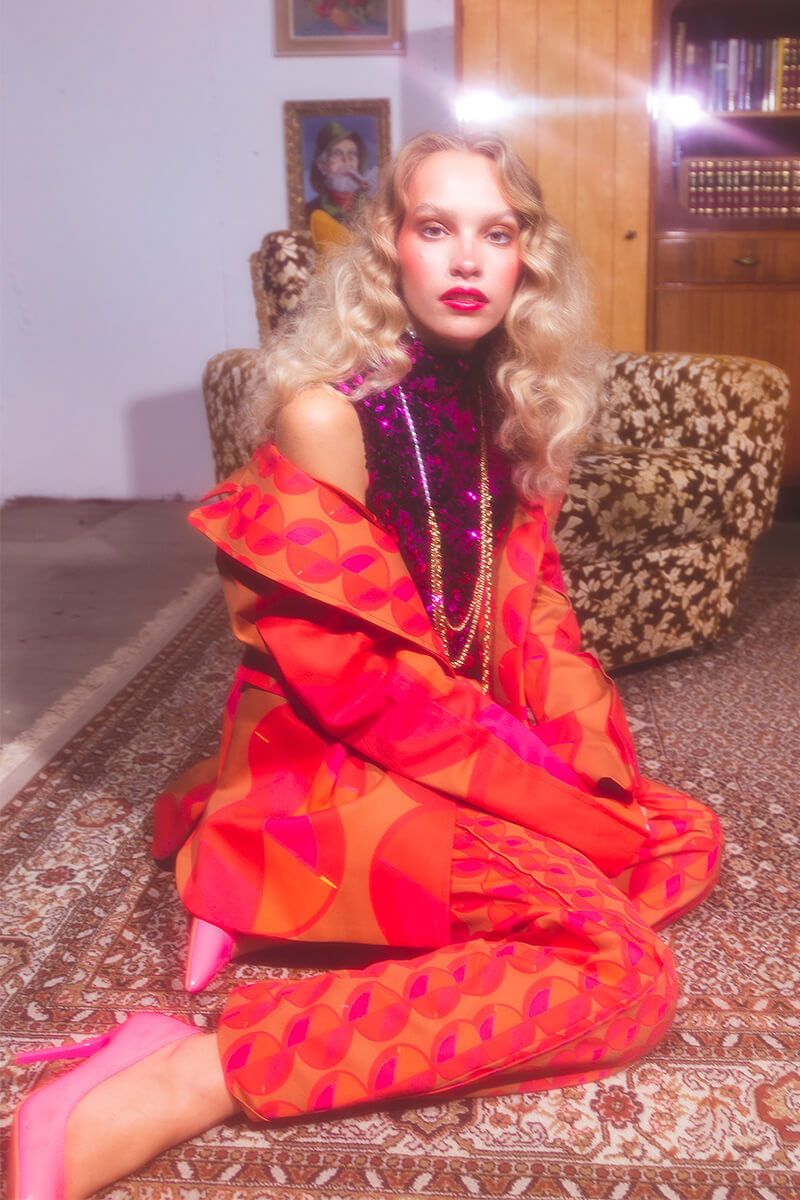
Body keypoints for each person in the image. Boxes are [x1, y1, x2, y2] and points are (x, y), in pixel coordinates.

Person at [9, 130, 721, 1200]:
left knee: (671, 829)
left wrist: (577, 768)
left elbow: (538, 621)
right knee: (622, 975)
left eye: (497, 233)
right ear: (390, 245)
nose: (468, 260)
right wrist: (535, 795)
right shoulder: (326, 416)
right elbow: (353, 681)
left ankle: (382, 919)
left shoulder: (520, 405)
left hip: (456, 738)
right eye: (436, 228)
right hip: (341, 759)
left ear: (527, 256)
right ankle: (186, 1071)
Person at [304, 119, 374, 224]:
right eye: (337, 154)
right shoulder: (310, 211)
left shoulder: (373, 208)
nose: (346, 161)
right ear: (322, 166)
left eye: (352, 154)